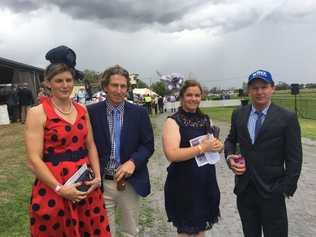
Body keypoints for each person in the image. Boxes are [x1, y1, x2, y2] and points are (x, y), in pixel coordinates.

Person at [25, 46, 111, 237]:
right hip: (54, 187)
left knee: (91, 230)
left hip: (85, 184)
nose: (65, 85)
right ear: (48, 83)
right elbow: (33, 158)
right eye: (59, 81)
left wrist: (97, 177)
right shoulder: (37, 113)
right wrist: (60, 188)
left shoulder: (82, 110)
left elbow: (90, 145)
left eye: (68, 80)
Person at [224, 69, 302, 237]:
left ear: (272, 88)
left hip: (273, 191)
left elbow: (294, 158)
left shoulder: (287, 118)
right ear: (249, 90)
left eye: (264, 87)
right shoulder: (238, 114)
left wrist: (285, 188)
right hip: (245, 190)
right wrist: (230, 158)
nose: (259, 92)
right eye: (254, 88)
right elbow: (230, 141)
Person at [87, 65, 154, 237]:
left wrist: (133, 162)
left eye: (123, 86)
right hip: (101, 182)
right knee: (103, 232)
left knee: (130, 232)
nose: (119, 90)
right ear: (105, 87)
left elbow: (148, 145)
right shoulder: (91, 112)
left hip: (129, 182)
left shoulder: (139, 113)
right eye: (114, 85)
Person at [162, 80, 223, 236]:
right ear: (182, 97)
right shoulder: (173, 121)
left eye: (197, 95)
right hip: (183, 183)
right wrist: (201, 148)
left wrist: (218, 146)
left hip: (205, 181)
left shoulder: (206, 119)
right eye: (189, 95)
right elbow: (172, 154)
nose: (193, 98)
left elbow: (213, 148)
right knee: (186, 231)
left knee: (200, 229)